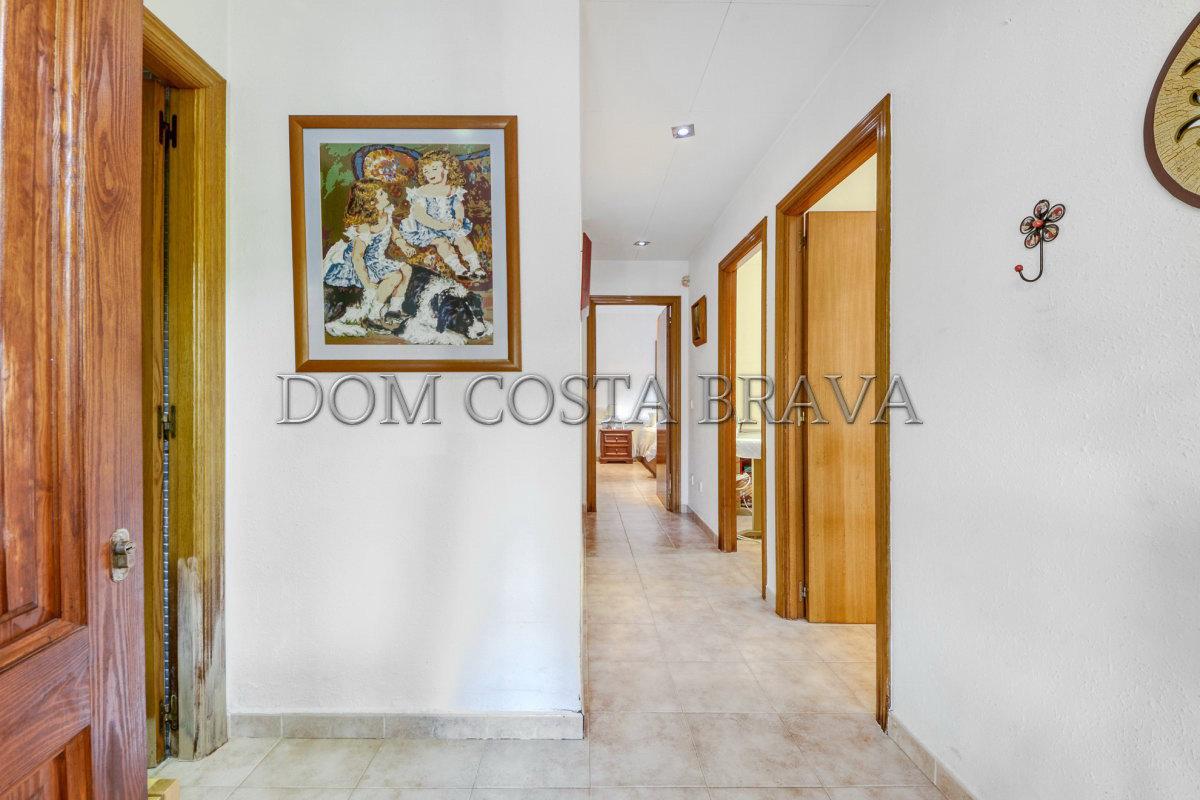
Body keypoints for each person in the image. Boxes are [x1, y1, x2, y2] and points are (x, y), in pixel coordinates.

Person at [399, 149, 486, 281]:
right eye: (426, 171)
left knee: (462, 239)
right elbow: (420, 215)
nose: (429, 173)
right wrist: (441, 226)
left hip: (449, 223)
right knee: (442, 242)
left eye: (434, 168)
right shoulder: (422, 192)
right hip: (428, 227)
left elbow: (458, 207)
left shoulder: (452, 189)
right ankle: (459, 269)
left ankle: (476, 266)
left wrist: (459, 219)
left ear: (446, 169)